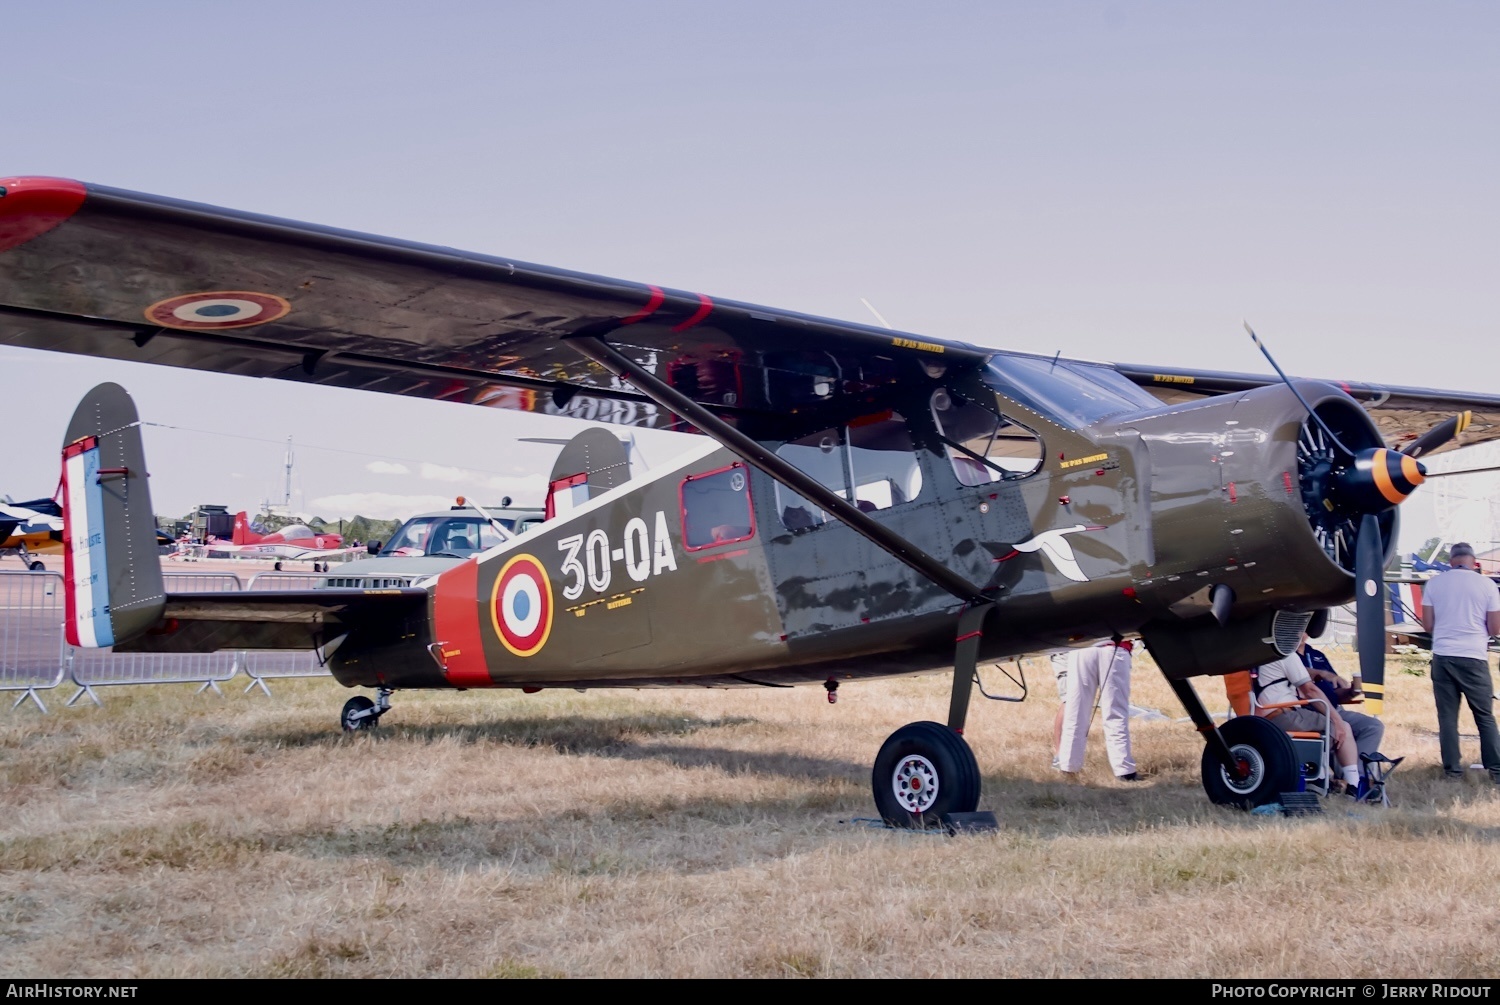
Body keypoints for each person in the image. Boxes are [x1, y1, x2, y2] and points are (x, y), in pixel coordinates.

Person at [1419, 541, 1500, 782]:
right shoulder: (1487, 585)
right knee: (1484, 715)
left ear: (1450, 562)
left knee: (1447, 717)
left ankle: (1452, 771)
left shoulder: (1434, 584)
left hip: (1443, 655)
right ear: (1473, 562)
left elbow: (1428, 625)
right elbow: (1495, 627)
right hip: (1473, 655)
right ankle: (1496, 770)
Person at [1254, 651, 1362, 795]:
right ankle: (1354, 786)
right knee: (1343, 728)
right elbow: (1310, 691)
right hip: (1284, 715)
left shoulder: (1256, 655)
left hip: (1261, 720)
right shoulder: (1285, 655)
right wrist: (1337, 721)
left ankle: (1322, 779)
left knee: (1325, 729)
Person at [1057, 639, 1138, 781]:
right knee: (1116, 713)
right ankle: (1124, 770)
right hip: (1114, 647)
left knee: (1075, 712)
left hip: (1083, 647)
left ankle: (1068, 767)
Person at [1297, 635, 1385, 759]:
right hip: (1308, 712)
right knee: (1341, 728)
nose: (1300, 632)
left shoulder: (1317, 655)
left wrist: (1351, 692)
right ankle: (1352, 774)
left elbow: (1335, 694)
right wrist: (1320, 673)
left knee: (1373, 726)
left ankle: (1359, 773)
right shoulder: (1283, 655)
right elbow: (1297, 672)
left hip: (1334, 710)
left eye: (1304, 627)